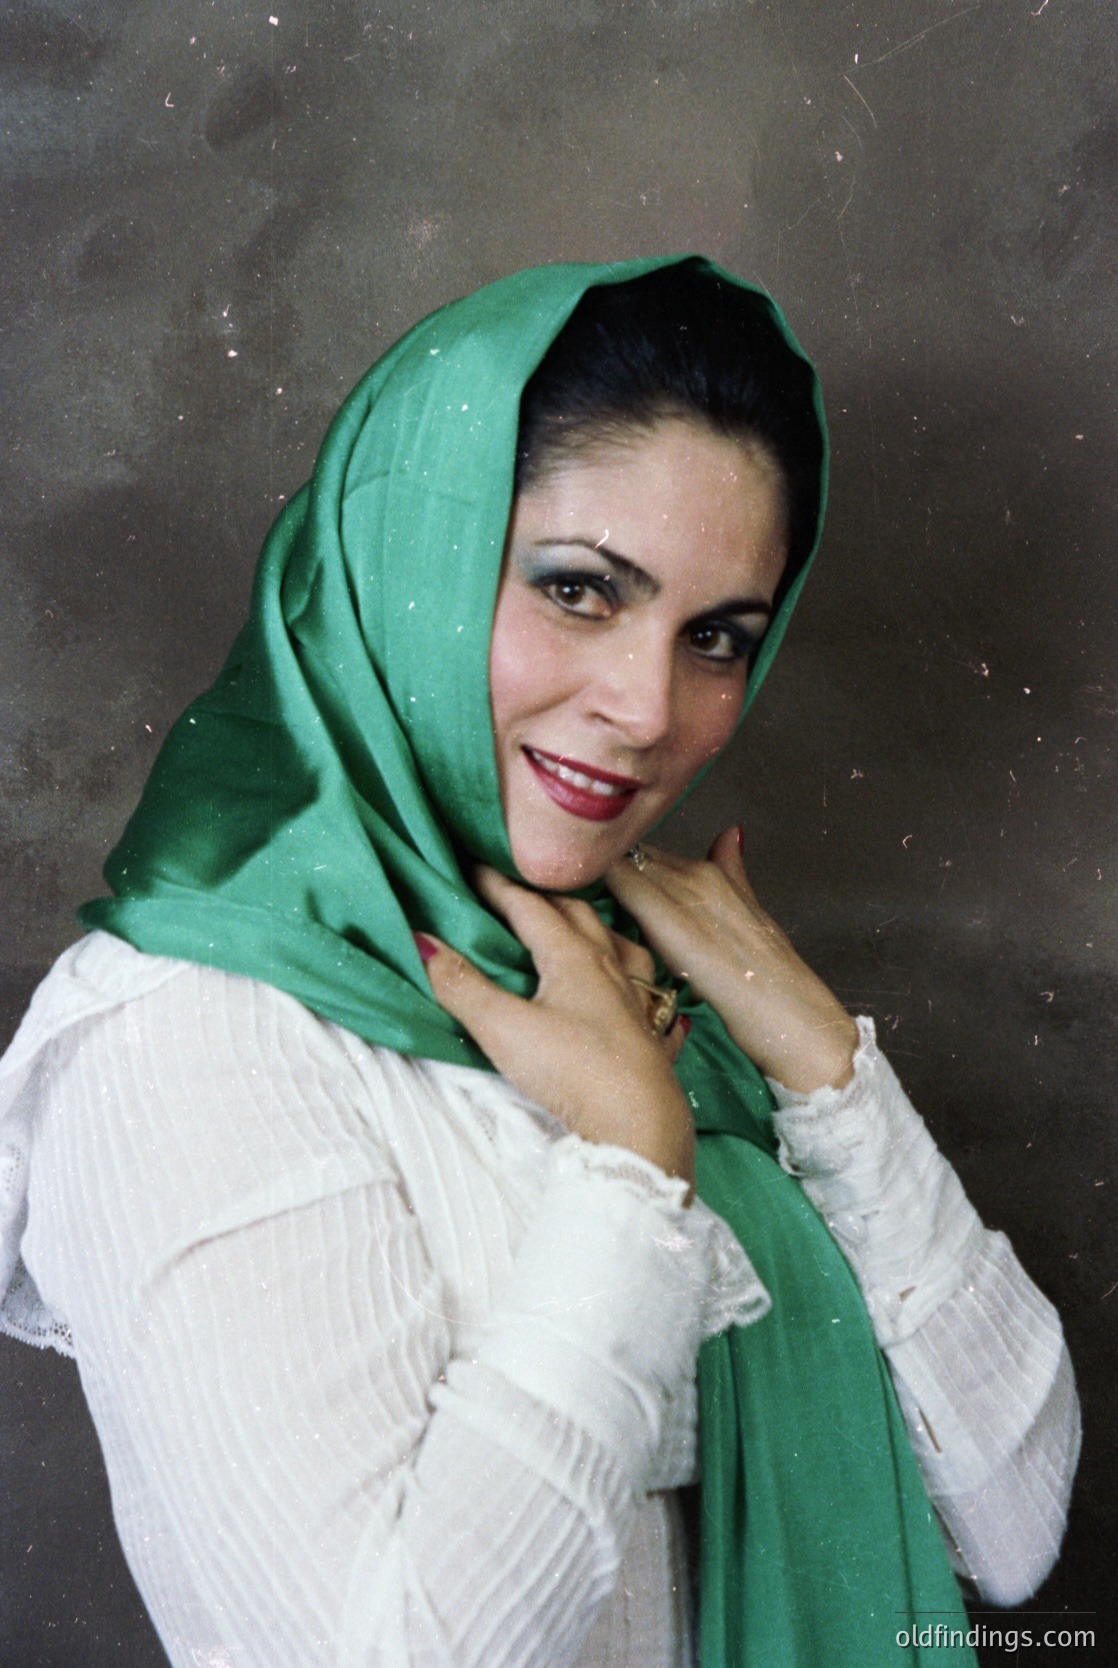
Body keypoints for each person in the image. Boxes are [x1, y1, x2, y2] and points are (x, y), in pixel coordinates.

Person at [0, 257, 1079, 1667]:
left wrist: (820, 1061)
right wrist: (631, 1162)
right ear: (402, 563)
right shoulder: (192, 1038)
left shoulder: (664, 1003)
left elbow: (1007, 1527)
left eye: (716, 640)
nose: (644, 708)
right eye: (578, 591)